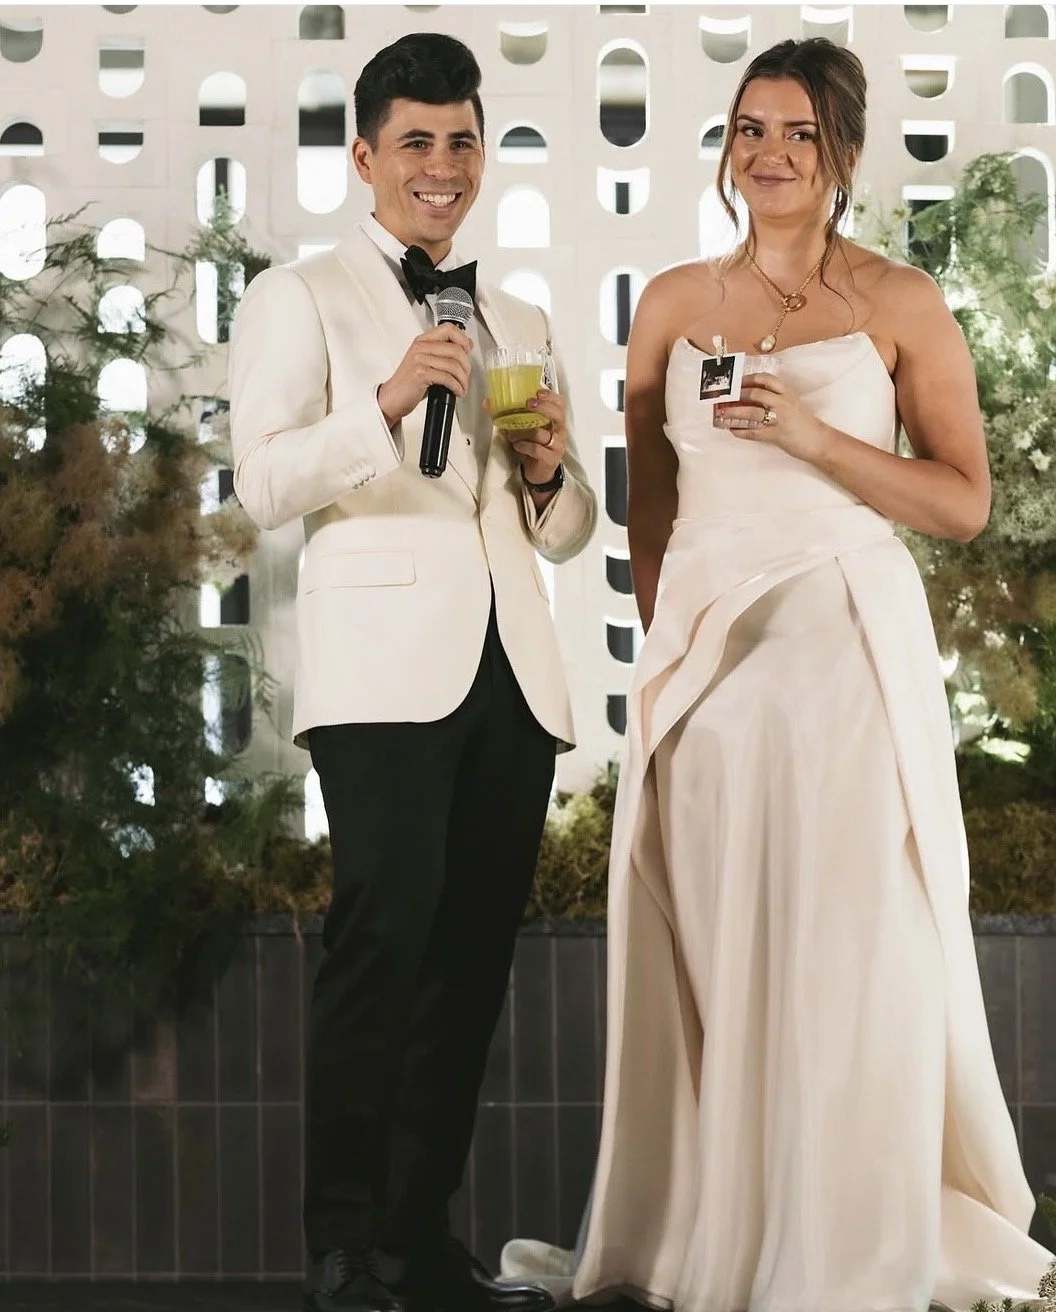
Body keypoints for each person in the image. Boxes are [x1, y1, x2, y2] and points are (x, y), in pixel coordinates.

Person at [501, 36, 1053, 1312]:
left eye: (798, 132)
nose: (770, 153)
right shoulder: (675, 303)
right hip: (707, 661)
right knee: (721, 942)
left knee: (850, 944)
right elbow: (650, 498)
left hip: (848, 653)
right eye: (750, 128)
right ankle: (726, 1225)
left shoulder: (900, 304)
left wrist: (812, 435)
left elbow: (963, 502)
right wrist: (663, 646)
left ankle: (842, 1238)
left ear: (841, 151)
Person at [228, 32, 596, 1312]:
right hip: (383, 674)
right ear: (367, 157)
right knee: (381, 943)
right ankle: (341, 1241)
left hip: (515, 673)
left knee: (471, 959)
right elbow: (263, 483)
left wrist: (551, 471)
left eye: (463, 141)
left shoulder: (526, 316)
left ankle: (421, 1234)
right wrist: (382, 402)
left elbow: (562, 526)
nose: (444, 167)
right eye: (419, 143)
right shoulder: (303, 295)